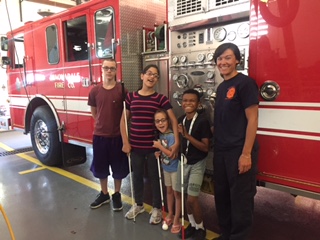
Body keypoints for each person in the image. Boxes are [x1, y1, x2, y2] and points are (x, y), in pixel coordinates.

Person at [120, 64, 179, 224]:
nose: (152, 77)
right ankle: (138, 205)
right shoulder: (131, 97)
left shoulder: (160, 99)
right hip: (135, 147)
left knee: (155, 178)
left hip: (154, 147)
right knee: (137, 176)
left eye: (156, 75)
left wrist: (176, 142)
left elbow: (173, 119)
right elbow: (124, 121)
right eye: (149, 74)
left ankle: (157, 208)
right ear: (142, 76)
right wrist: (125, 142)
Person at [212, 43, 259, 240]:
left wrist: (246, 153)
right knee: (222, 196)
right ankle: (226, 234)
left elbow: (253, 119)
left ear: (237, 60)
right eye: (220, 59)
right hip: (221, 151)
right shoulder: (222, 87)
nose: (223, 62)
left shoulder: (245, 84)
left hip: (239, 151)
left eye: (228, 57)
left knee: (240, 200)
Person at [87, 59, 129, 211]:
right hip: (100, 136)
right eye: (106, 68)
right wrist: (102, 123)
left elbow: (126, 114)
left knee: (118, 168)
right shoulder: (95, 91)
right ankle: (104, 193)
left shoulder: (122, 91)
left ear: (116, 70)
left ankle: (116, 195)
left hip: (118, 137)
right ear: (102, 70)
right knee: (100, 167)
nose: (109, 71)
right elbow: (94, 112)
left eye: (112, 68)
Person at [176, 89, 213, 240]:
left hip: (197, 163)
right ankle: (192, 224)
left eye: (192, 101)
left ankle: (201, 227)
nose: (188, 103)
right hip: (183, 161)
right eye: (185, 100)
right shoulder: (181, 119)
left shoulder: (202, 121)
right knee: (184, 197)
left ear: (199, 104)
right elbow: (180, 142)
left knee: (192, 199)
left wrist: (187, 135)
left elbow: (205, 147)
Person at [152, 109, 181, 234]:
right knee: (168, 191)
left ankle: (176, 219)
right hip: (166, 168)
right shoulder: (161, 135)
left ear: (168, 121)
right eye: (157, 121)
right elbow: (165, 152)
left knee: (176, 194)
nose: (160, 123)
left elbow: (172, 155)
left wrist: (160, 147)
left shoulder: (171, 136)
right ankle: (170, 213)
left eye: (163, 120)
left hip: (175, 169)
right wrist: (158, 152)